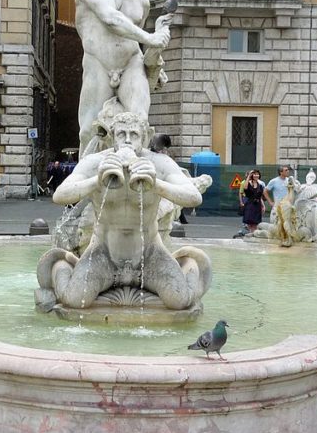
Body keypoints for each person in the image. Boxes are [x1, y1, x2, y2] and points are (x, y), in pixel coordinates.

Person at [44, 109, 207, 311]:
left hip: (149, 254)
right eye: (121, 134)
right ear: (112, 137)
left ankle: (188, 264)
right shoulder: (95, 162)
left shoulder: (159, 163)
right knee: (74, 300)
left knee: (180, 300)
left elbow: (194, 197)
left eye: (134, 135)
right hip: (104, 254)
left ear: (145, 137)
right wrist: (97, 179)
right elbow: (60, 195)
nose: (127, 140)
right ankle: (63, 265)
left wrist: (156, 184)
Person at [74, 0, 173, 153]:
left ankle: (137, 178)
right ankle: (88, 180)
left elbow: (134, 39)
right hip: (99, 63)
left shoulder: (141, 2)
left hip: (131, 63)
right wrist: (150, 38)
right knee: (89, 132)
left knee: (138, 122)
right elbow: (110, 19)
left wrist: (156, 62)